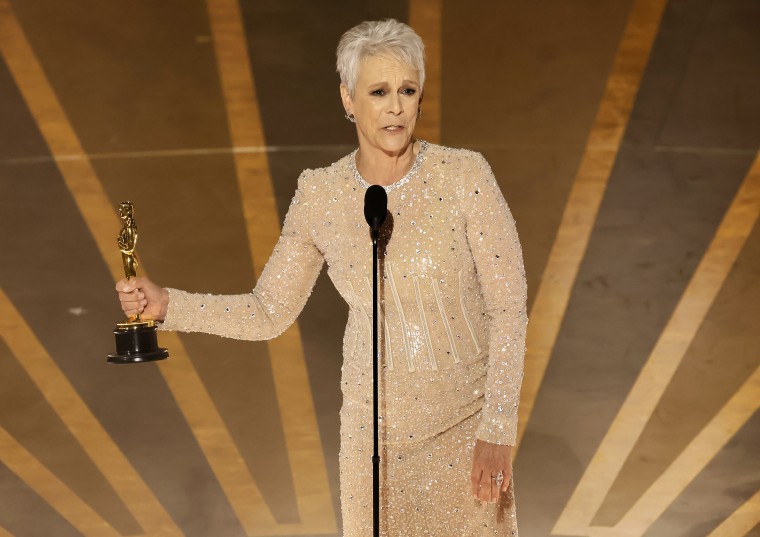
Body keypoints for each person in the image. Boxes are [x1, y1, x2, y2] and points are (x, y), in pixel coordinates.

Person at [116, 19, 526, 536]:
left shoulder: (465, 176)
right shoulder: (320, 195)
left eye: (407, 90)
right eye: (378, 92)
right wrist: (167, 305)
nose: (396, 107)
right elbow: (268, 312)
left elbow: (509, 310)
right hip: (369, 444)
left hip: (464, 433)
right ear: (348, 99)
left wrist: (498, 428)